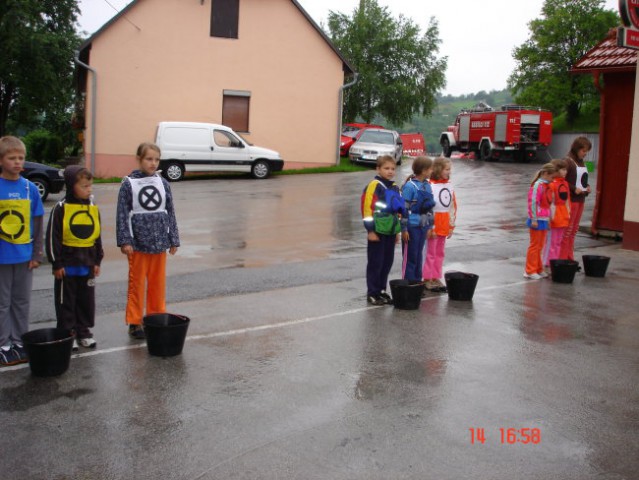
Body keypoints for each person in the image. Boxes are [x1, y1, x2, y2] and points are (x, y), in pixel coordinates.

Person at [116, 143, 180, 339]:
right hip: (138, 244)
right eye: (149, 159)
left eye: (156, 159)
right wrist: (125, 240)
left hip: (159, 242)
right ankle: (135, 322)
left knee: (157, 284)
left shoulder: (163, 183)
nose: (153, 163)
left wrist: (173, 239)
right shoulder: (128, 184)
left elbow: (170, 211)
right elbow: (122, 214)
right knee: (137, 285)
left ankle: (155, 317)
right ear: (139, 159)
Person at [45, 166, 103, 350]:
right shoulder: (60, 208)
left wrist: (96, 261)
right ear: (71, 186)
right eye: (85, 186)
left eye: (90, 186)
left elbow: (96, 236)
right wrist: (57, 263)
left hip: (86, 265)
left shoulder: (93, 208)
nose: (89, 189)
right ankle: (67, 333)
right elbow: (53, 237)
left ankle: (83, 331)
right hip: (67, 266)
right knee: (66, 301)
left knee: (86, 300)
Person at [0, 136, 44, 366]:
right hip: (2, 258)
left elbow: (37, 224)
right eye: (11, 158)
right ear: (1, 160)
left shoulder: (29, 189)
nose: (17, 162)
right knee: (2, 302)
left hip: (24, 257)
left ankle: (18, 340)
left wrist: (37, 254)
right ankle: (3, 345)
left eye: (21, 158)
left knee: (21, 301)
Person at [361, 155, 405, 305]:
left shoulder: (394, 187)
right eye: (386, 168)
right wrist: (370, 231)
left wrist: (397, 231)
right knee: (375, 262)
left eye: (393, 168)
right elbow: (367, 209)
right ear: (378, 169)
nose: (390, 171)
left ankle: (381, 290)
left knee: (387, 262)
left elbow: (397, 211)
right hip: (377, 231)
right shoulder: (374, 185)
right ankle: (372, 292)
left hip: (390, 231)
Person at [423, 157, 457, 292]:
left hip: (444, 224)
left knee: (440, 253)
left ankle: (436, 276)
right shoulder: (429, 186)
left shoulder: (449, 186)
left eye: (449, 169)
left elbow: (453, 206)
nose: (449, 172)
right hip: (433, 224)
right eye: (446, 169)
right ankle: (427, 277)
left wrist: (451, 225)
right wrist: (429, 226)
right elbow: (426, 208)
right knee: (430, 253)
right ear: (438, 170)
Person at [400, 156, 435, 284]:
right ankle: (408, 283)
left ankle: (417, 281)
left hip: (423, 227)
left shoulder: (427, 185)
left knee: (419, 256)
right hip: (412, 227)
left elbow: (430, 207)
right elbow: (404, 209)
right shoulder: (410, 186)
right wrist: (404, 229)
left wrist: (430, 227)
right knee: (411, 257)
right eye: (431, 169)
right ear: (424, 170)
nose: (432, 171)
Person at [559, 136, 592, 264]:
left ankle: (569, 256)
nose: (585, 154)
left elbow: (582, 179)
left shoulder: (581, 162)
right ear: (577, 148)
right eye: (584, 151)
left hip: (581, 199)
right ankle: (562, 258)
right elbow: (561, 180)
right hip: (571, 200)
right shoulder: (568, 161)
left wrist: (586, 186)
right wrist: (573, 188)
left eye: (586, 152)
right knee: (567, 230)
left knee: (574, 230)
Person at [524, 163, 558, 280]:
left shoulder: (547, 186)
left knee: (540, 246)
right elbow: (533, 202)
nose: (553, 180)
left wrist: (548, 219)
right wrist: (534, 218)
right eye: (552, 177)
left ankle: (538, 268)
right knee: (534, 246)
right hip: (536, 220)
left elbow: (548, 204)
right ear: (545, 174)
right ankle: (530, 270)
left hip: (543, 219)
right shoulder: (537, 186)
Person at [542, 159, 570, 272]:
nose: (565, 172)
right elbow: (548, 203)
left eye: (565, 169)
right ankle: (547, 262)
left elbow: (568, 200)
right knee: (551, 242)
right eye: (563, 169)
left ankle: (555, 261)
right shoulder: (551, 185)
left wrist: (568, 213)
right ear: (556, 171)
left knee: (558, 241)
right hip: (554, 217)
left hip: (563, 216)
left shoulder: (565, 184)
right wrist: (549, 218)